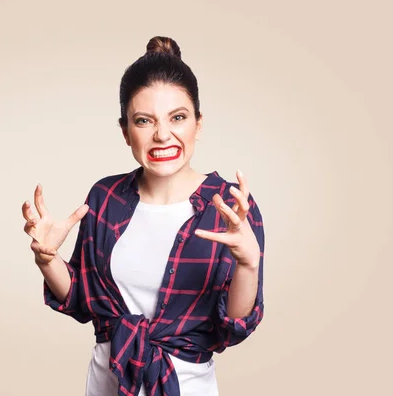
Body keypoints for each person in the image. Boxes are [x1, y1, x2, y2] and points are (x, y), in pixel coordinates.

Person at [21, 36, 265, 396]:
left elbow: (233, 326)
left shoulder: (230, 205)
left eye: (177, 118)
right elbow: (81, 300)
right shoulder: (105, 198)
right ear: (125, 132)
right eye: (144, 121)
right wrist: (47, 259)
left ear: (198, 123)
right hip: (106, 383)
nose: (162, 135)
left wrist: (248, 265)